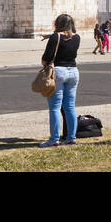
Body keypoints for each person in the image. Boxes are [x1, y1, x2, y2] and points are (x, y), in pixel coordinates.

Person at [38, 14, 81, 148]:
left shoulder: (56, 37)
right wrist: (51, 37)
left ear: (58, 23)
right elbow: (65, 39)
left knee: (55, 107)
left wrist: (44, 64)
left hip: (58, 72)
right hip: (73, 72)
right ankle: (71, 137)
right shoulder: (77, 37)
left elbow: (47, 57)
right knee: (70, 106)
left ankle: (54, 139)